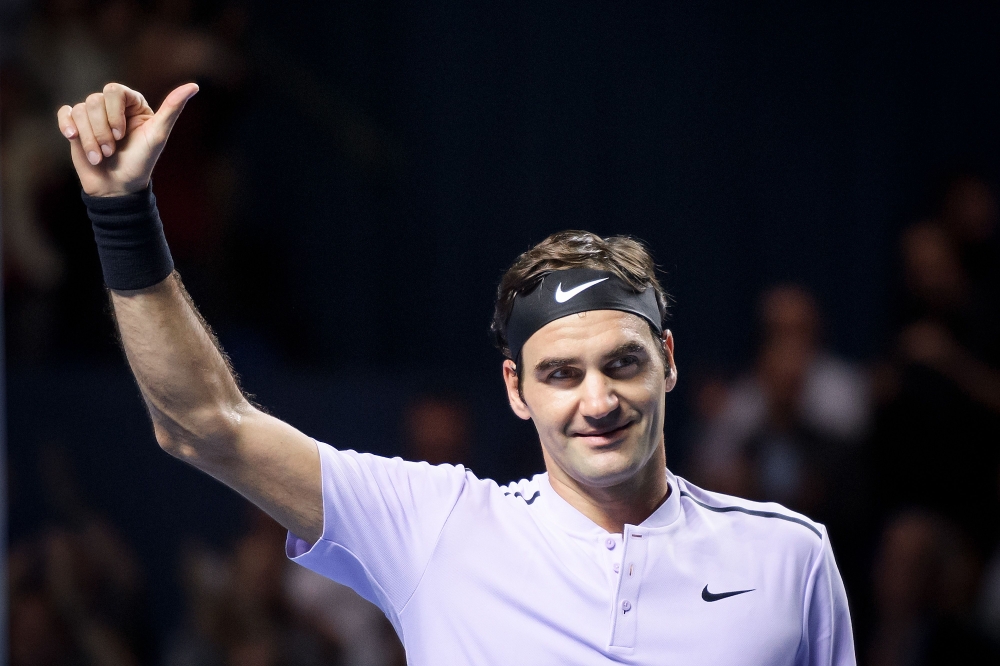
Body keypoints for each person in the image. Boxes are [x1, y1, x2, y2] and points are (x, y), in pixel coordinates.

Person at [57, 82, 856, 664]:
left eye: (623, 363)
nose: (599, 400)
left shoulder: (789, 559)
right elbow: (202, 424)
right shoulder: (436, 527)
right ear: (515, 389)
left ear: (669, 363)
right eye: (561, 374)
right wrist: (123, 211)